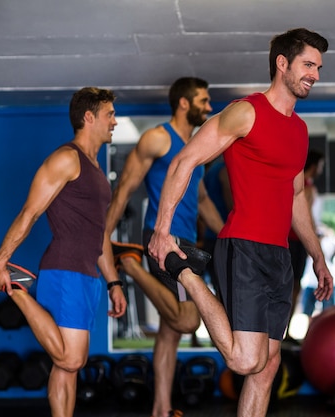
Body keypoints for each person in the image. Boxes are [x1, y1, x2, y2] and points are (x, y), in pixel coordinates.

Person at [147, 28, 334, 417]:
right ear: (282, 63)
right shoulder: (245, 111)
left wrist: (317, 255)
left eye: (318, 67)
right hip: (243, 247)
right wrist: (163, 230)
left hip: (280, 255)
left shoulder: (299, 130)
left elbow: (296, 195)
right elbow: (185, 161)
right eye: (308, 64)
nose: (315, 74)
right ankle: (185, 272)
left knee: (267, 367)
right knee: (245, 362)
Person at [0, 87, 127, 417]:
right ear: (89, 117)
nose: (114, 121)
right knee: (71, 358)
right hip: (64, 268)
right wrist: (0, 260)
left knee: (68, 368)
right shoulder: (67, 158)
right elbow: (30, 212)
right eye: (109, 114)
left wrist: (113, 283)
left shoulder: (96, 170)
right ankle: (17, 290)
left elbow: (100, 236)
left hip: (87, 275)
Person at [103, 77, 224, 417]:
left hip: (187, 243)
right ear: (183, 103)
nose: (209, 107)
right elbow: (125, 188)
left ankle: (161, 409)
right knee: (187, 321)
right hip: (163, 241)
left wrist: (230, 234)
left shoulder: (198, 148)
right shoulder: (158, 138)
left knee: (171, 333)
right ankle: (130, 265)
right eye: (203, 100)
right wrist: (104, 239)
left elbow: (201, 200)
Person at [287, 149, 324, 329]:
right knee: (293, 288)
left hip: (290, 241)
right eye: (321, 166)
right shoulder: (306, 187)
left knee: (289, 288)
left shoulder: (299, 184)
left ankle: (283, 333)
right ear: (315, 166)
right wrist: (314, 245)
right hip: (297, 241)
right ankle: (284, 333)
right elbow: (305, 217)